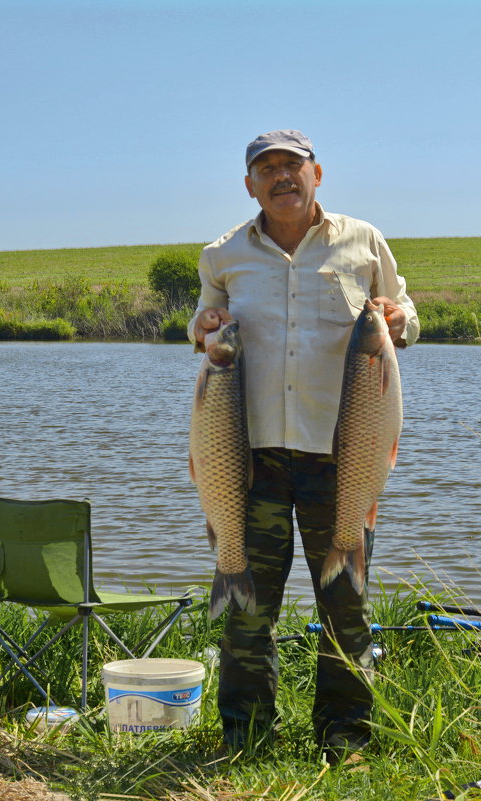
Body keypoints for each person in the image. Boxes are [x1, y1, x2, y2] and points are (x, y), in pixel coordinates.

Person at [188, 129, 419, 762]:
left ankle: (344, 737)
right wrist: (202, 326)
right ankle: (246, 735)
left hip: (344, 455)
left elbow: (403, 314)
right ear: (248, 184)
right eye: (267, 169)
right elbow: (204, 324)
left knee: (346, 606)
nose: (281, 177)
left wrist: (402, 321)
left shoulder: (363, 240)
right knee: (249, 612)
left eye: (293, 165)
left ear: (317, 173)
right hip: (250, 458)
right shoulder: (223, 254)